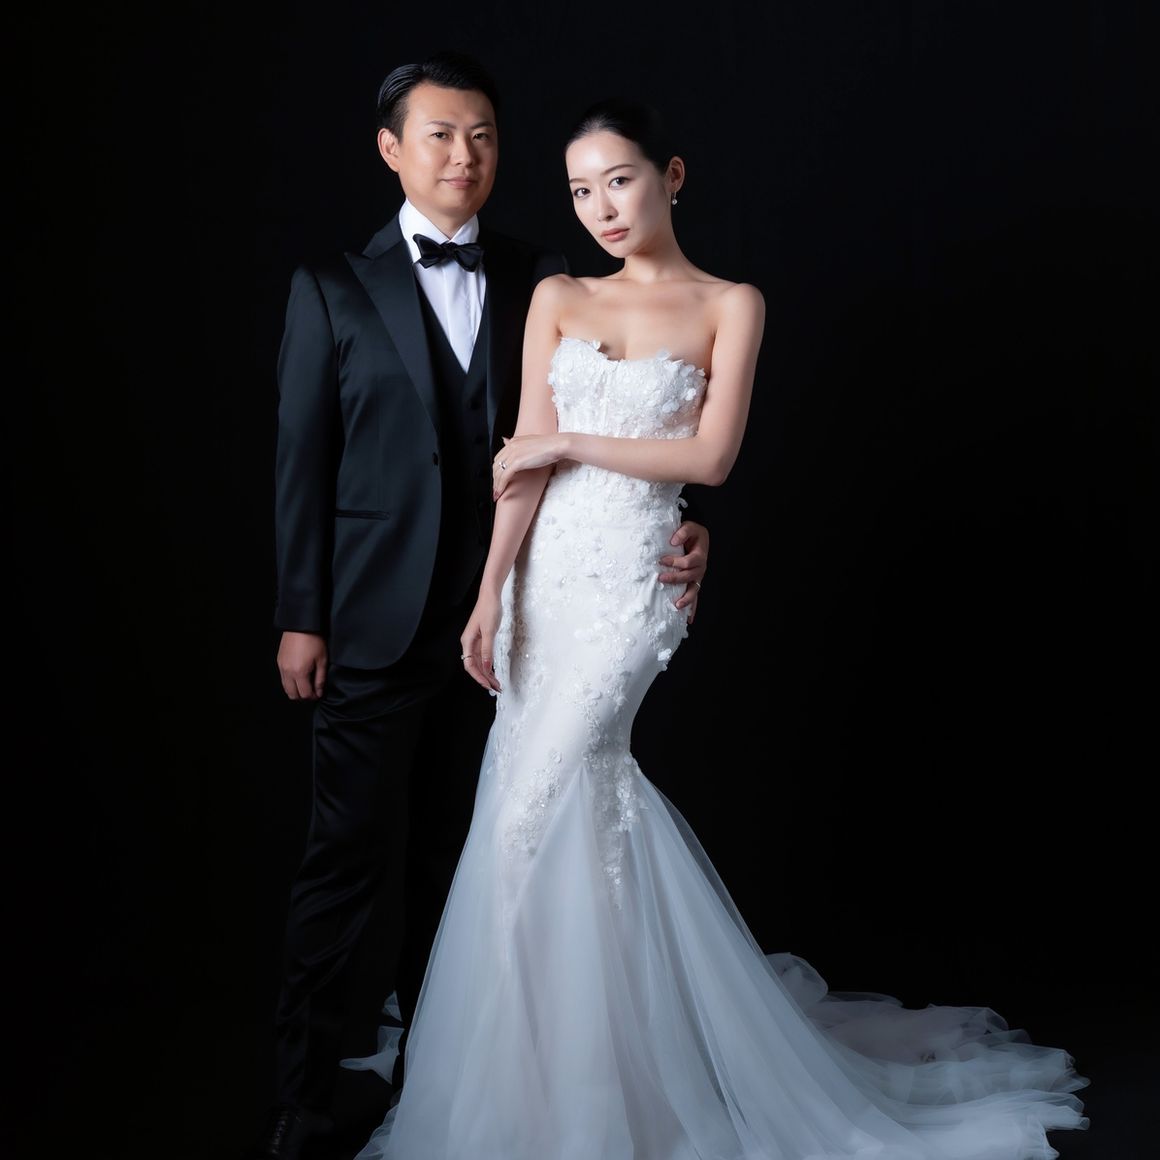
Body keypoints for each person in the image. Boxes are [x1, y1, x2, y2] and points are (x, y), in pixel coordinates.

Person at [346, 99, 1090, 1160]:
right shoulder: (557, 294)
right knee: (525, 805)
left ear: (672, 175)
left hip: (630, 586)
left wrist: (569, 445)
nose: (601, 207)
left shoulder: (729, 303)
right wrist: (488, 593)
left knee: (548, 799)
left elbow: (708, 459)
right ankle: (559, 1070)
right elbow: (522, 467)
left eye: (619, 179)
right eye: (579, 190)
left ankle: (591, 1089)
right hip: (545, 582)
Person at [253, 54, 713, 1160]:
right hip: (372, 618)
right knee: (345, 859)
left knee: (464, 858)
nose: (465, 156)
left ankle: (451, 1083)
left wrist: (687, 527)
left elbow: (620, 430)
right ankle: (301, 1096)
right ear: (391, 149)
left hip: (523, 619)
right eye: (441, 135)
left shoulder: (541, 274)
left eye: (484, 137)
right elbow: (302, 461)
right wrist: (301, 613)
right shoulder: (331, 285)